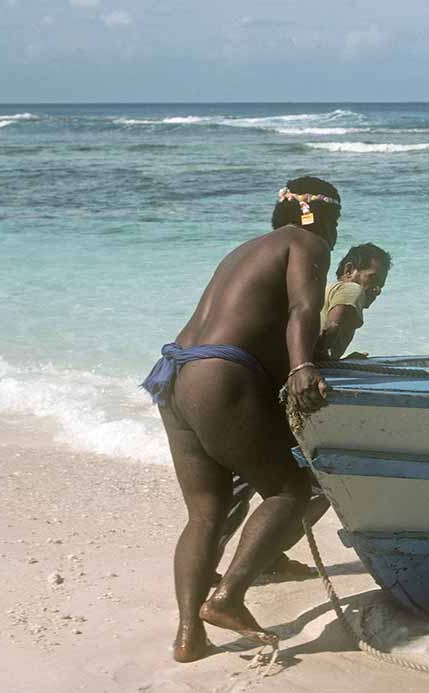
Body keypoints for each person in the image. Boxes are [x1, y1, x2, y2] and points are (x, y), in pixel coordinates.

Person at [140, 175, 338, 662]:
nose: (334, 231)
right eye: (336, 219)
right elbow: (303, 308)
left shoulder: (246, 249)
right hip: (220, 373)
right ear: (321, 216)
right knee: (291, 490)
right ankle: (227, 598)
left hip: (175, 376)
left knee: (205, 513)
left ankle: (189, 637)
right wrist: (303, 365)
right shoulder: (305, 242)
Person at [316, 242, 392, 361]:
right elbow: (331, 328)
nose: (377, 290)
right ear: (349, 270)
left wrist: (341, 361)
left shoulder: (329, 290)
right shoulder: (353, 288)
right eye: (373, 278)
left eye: (380, 285)